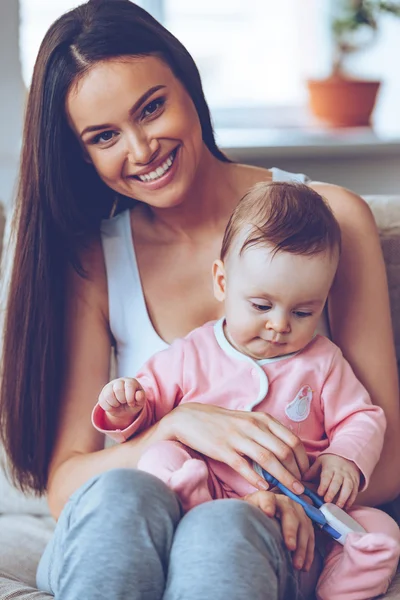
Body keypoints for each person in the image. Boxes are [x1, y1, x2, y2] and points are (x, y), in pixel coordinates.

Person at [0, 0, 399, 598]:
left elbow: (385, 458)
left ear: (189, 85)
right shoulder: (95, 259)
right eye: (104, 136)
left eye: (152, 107)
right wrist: (177, 426)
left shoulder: (330, 220)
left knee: (226, 530)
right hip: (135, 517)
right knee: (120, 495)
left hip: (260, 527)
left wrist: (284, 497)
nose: (141, 150)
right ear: (80, 153)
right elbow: (68, 484)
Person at [94, 181, 400, 600]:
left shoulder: (323, 362)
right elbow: (147, 408)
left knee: (382, 528)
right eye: (261, 306)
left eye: (303, 311)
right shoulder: (192, 352)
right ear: (222, 282)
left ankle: (341, 584)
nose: (279, 325)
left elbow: (363, 417)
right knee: (162, 456)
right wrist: (124, 408)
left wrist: (342, 457)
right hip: (206, 486)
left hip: (296, 508)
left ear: (324, 302)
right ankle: (187, 498)